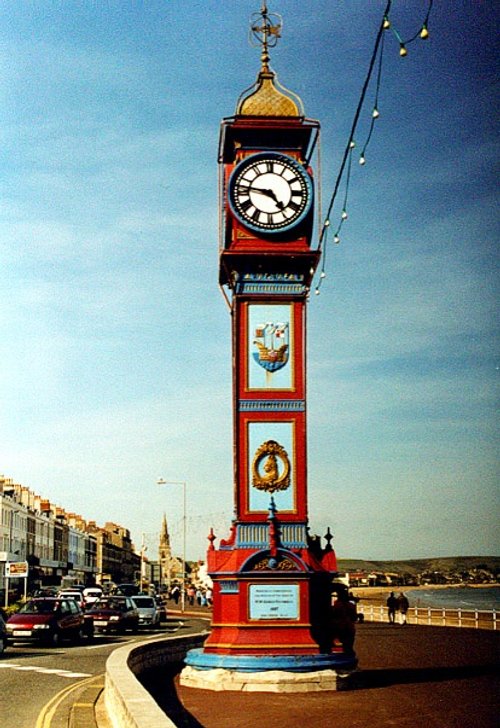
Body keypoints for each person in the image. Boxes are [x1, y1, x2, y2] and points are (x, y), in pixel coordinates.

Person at [330, 587, 357, 653]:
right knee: (349, 643)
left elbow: (333, 615)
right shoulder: (351, 605)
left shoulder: (337, 605)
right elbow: (354, 617)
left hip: (339, 625)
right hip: (349, 626)